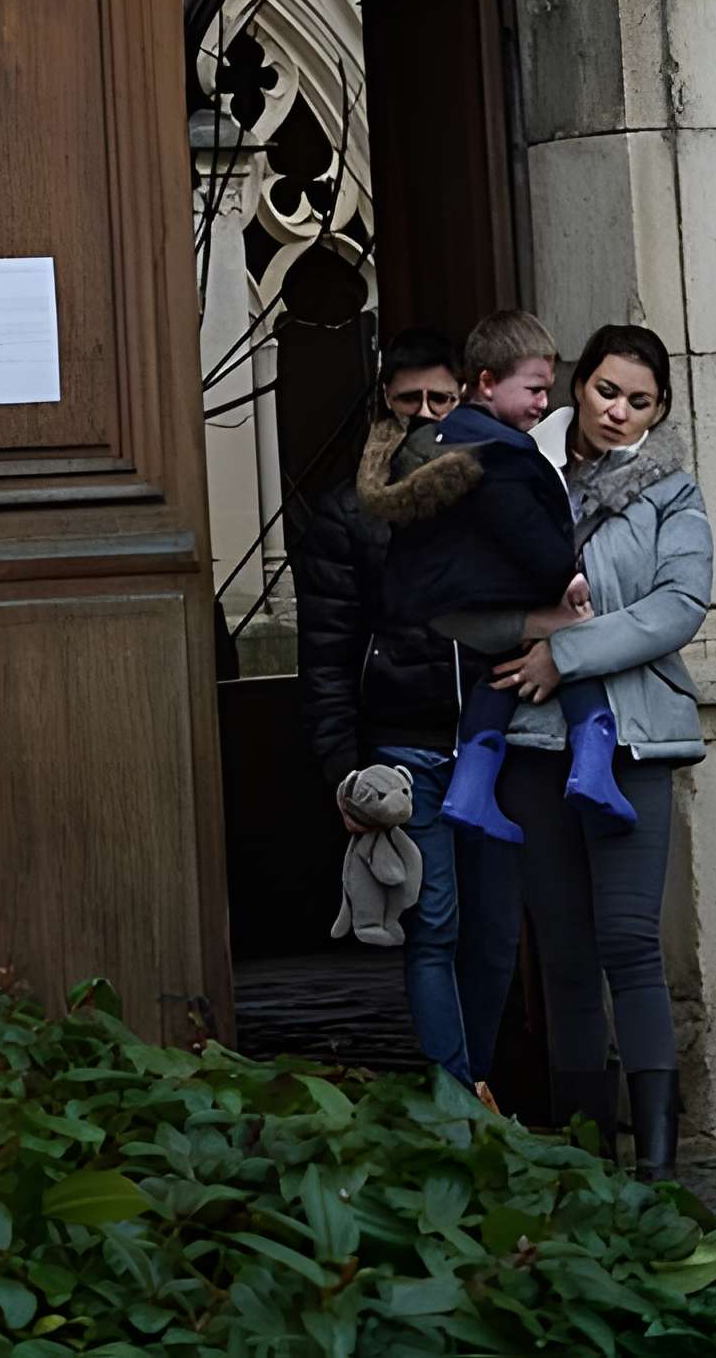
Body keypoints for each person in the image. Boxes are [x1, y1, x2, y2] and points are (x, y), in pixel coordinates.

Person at [453, 322, 712, 1178]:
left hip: (637, 739)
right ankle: (587, 1156)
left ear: (660, 408)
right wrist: (530, 637)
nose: (619, 411)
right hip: (532, 742)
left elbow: (679, 606)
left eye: (640, 401)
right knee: (562, 952)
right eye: (607, 391)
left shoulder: (673, 492)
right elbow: (468, 588)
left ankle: (660, 1162)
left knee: (631, 942)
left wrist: (564, 653)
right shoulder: (520, 472)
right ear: (577, 386)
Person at [355, 311, 633, 841]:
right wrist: (565, 578)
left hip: (446, 612)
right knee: (574, 629)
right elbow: (538, 547)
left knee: (504, 669)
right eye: (533, 389)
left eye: (547, 390)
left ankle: (472, 788)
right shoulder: (504, 455)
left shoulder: (432, 444)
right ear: (485, 382)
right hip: (490, 605)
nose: (542, 404)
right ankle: (594, 758)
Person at [289, 328, 475, 1085]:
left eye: (441, 397)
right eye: (409, 400)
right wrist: (343, 769)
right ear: (384, 406)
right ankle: (457, 1106)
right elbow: (327, 653)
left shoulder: (495, 491)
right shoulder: (347, 514)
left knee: (495, 935)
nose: (425, 413)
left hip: (498, 734)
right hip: (404, 747)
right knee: (433, 927)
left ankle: (489, 1087)